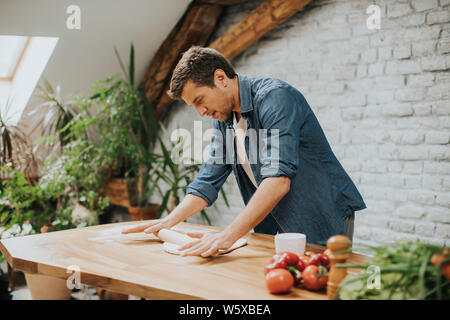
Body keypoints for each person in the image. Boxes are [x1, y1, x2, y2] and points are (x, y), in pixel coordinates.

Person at [123, 46, 366, 257]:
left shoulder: (275, 98)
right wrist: (167, 222)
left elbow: (278, 180)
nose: (201, 112)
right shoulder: (224, 119)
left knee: (322, 291)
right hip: (278, 222)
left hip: (320, 212)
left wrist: (228, 235)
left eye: (200, 100)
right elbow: (207, 181)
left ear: (220, 78)